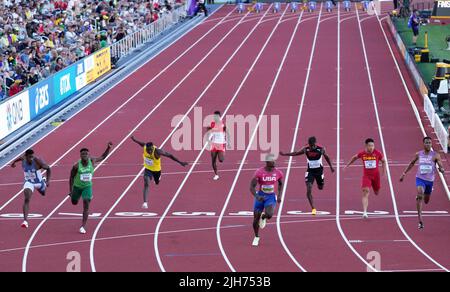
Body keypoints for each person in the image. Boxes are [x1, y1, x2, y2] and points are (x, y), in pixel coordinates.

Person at [280, 136, 334, 215]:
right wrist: (285, 154)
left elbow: (327, 157)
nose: (311, 147)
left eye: (312, 145)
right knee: (309, 189)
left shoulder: (321, 149)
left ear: (315, 143)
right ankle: (313, 208)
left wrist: (331, 167)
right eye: (310, 145)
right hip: (310, 171)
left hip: (319, 171)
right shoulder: (306, 149)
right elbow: (295, 153)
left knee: (320, 187)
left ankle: (320, 182)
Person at [131, 136, 188, 209]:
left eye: (151, 149)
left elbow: (170, 155)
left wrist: (180, 162)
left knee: (157, 182)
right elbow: (140, 143)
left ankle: (158, 178)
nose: (150, 151)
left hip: (156, 170)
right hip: (148, 169)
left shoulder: (157, 151)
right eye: (149, 150)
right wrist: (134, 139)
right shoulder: (145, 147)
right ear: (147, 148)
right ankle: (145, 203)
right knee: (146, 183)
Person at [400, 137, 445, 229]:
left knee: (426, 200)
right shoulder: (419, 154)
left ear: (431, 144)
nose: (428, 144)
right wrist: (404, 173)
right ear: (423, 144)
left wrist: (442, 169)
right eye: (426, 143)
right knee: (420, 194)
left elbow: (441, 165)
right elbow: (412, 163)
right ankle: (420, 219)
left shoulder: (435, 155)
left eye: (429, 143)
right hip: (420, 179)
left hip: (430, 181)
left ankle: (425, 194)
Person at [69, 143, 112, 234]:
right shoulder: (76, 166)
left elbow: (103, 157)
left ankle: (83, 226)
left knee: (86, 203)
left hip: (87, 186)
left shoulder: (92, 161)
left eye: (86, 154)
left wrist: (108, 148)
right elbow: (71, 177)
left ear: (89, 155)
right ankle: (76, 197)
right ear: (80, 156)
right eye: (83, 154)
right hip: (77, 187)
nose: (84, 155)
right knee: (74, 202)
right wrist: (71, 190)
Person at [344, 138, 386, 219]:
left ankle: (375, 189)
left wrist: (384, 172)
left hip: (376, 176)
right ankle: (365, 212)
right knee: (365, 192)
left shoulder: (377, 153)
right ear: (366, 146)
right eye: (370, 146)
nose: (371, 147)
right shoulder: (362, 154)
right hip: (367, 176)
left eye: (373, 146)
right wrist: (347, 165)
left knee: (377, 192)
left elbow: (384, 161)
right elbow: (354, 157)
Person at [11, 149, 51, 229]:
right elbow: (20, 158)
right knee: (27, 199)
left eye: (32, 157)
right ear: (26, 157)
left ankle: (43, 179)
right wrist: (13, 162)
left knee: (43, 193)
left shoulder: (37, 162)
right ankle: (25, 221)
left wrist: (48, 180)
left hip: (39, 183)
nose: (31, 159)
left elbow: (48, 168)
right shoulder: (23, 159)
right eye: (29, 157)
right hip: (29, 182)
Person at [250, 154, 283, 247]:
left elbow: (281, 184)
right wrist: (256, 196)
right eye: (272, 161)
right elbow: (251, 186)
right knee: (255, 220)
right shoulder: (259, 172)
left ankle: (264, 216)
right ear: (267, 162)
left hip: (270, 197)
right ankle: (256, 237)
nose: (274, 162)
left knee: (269, 215)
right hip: (260, 196)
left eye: (274, 160)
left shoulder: (278, 173)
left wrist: (279, 195)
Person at [206, 111, 230, 181]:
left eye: (217, 116)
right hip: (214, 144)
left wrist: (227, 140)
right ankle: (216, 174)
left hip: (221, 144)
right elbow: (208, 129)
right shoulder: (212, 124)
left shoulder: (222, 123)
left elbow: (226, 130)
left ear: (219, 117)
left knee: (221, 160)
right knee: (213, 161)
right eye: (215, 116)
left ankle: (223, 151)